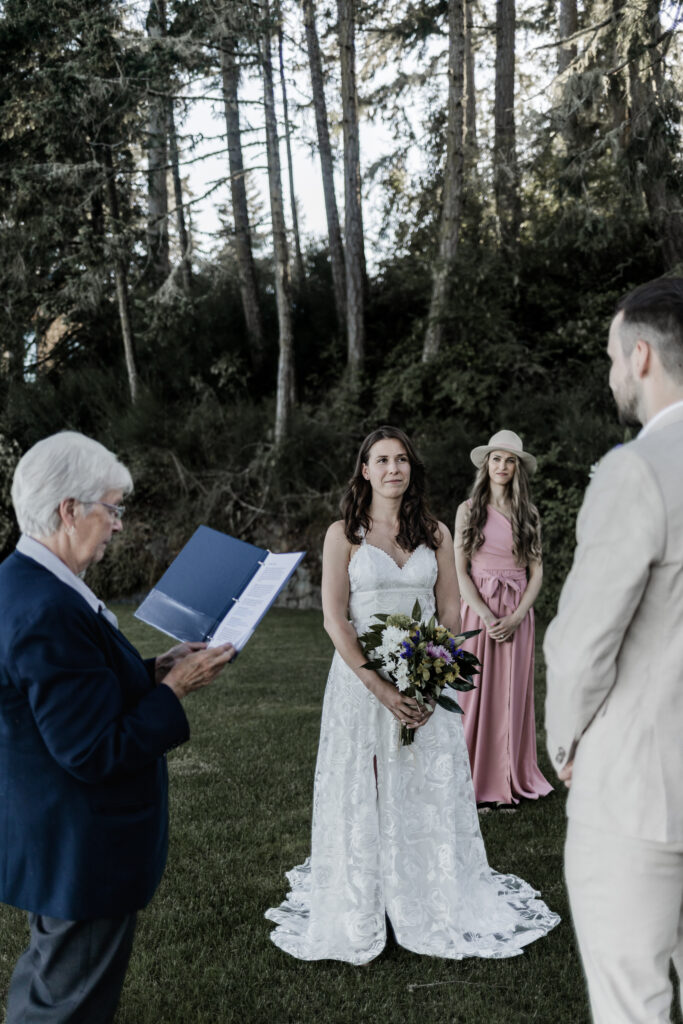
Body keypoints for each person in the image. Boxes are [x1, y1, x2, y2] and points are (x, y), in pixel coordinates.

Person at [266, 425, 559, 963]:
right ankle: (363, 894)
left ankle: (426, 890)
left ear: (410, 469)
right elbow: (335, 618)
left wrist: (433, 674)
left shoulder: (437, 533)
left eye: (401, 460)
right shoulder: (343, 535)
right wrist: (378, 684)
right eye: (381, 460)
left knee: (423, 786)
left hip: (425, 677)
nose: (393, 469)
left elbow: (449, 611)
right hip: (361, 681)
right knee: (363, 782)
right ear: (365, 470)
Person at [0, 431, 236, 1024]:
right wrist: (175, 689)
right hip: (80, 848)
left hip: (57, 838)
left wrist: (155, 667)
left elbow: (79, 690)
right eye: (112, 508)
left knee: (51, 984)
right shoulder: (46, 607)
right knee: (65, 1008)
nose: (119, 524)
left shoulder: (28, 581)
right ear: (69, 510)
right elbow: (93, 749)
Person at [544, 277, 683, 1023]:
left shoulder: (637, 469)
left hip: (640, 791)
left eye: (607, 357)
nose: (607, 375)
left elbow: (581, 644)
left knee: (633, 1007)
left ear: (639, 357)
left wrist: (565, 742)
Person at [453, 430, 552, 806]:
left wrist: (517, 616)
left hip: (516, 615)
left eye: (510, 460)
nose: (503, 466)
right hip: (479, 612)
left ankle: (510, 774)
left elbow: (537, 571)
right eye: (497, 458)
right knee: (474, 696)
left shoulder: (529, 513)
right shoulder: (468, 510)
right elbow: (460, 570)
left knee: (511, 694)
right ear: (487, 463)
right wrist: (484, 613)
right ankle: (470, 777)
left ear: (517, 468)